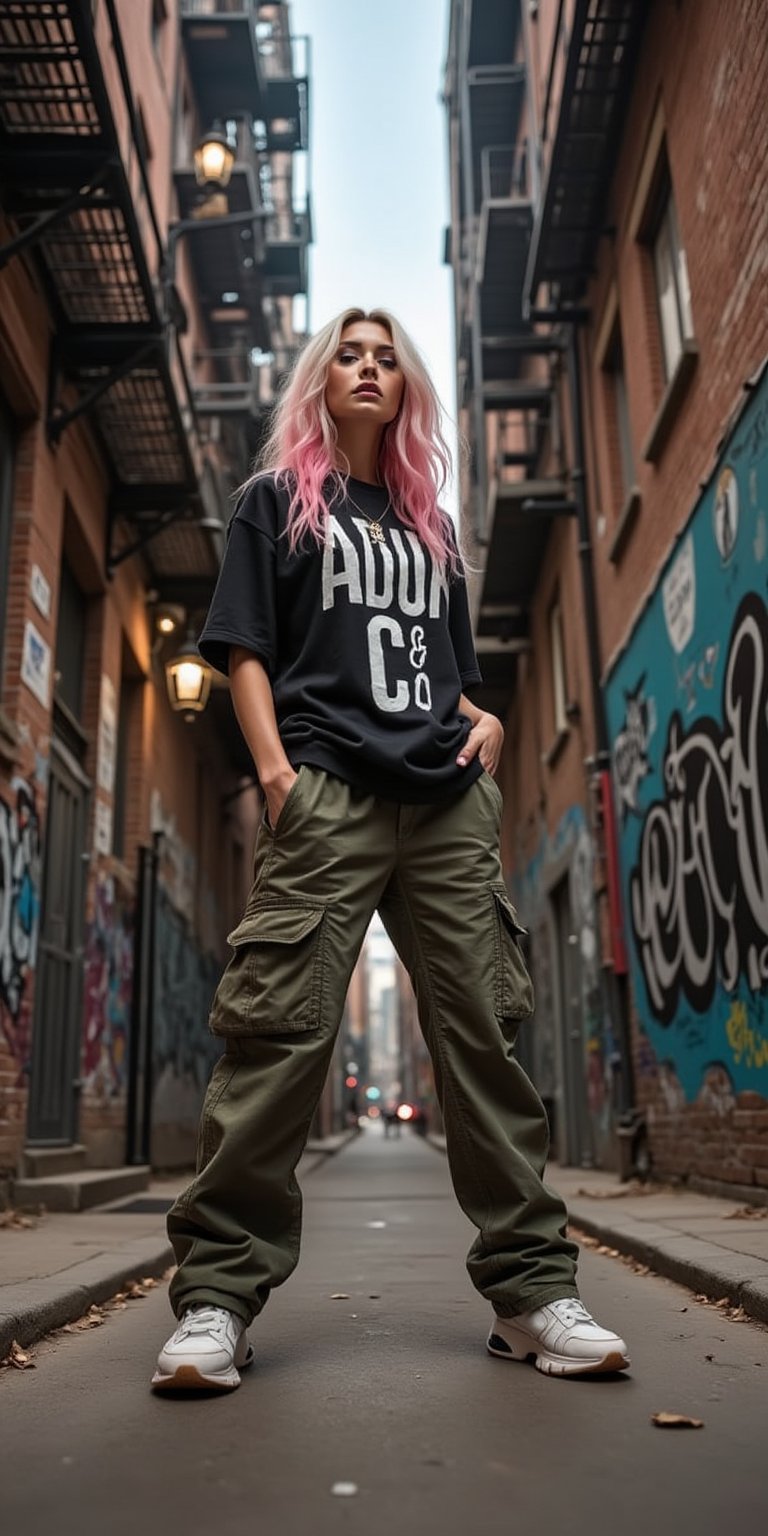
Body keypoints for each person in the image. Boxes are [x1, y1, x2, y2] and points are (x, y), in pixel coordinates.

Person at [152, 308, 630, 1392]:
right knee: (279, 1037)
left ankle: (529, 1292)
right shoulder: (275, 506)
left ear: (404, 387)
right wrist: (276, 779)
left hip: (447, 801)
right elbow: (245, 652)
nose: (367, 369)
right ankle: (218, 1300)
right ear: (320, 383)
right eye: (347, 356)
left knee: (486, 1042)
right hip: (327, 791)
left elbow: (450, 675)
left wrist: (492, 721)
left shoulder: (431, 531)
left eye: (384, 358)